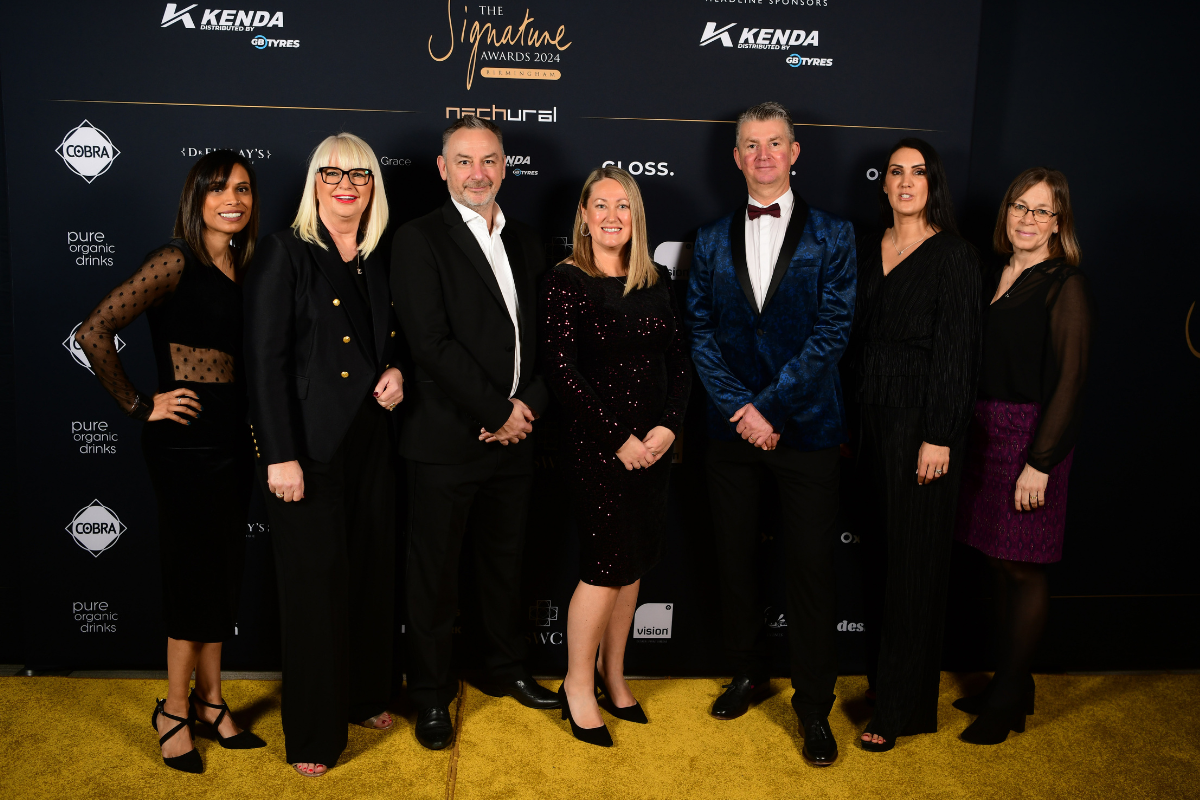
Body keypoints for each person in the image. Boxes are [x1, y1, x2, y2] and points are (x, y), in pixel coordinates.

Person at [75, 151, 266, 773]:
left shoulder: (247, 265)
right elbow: (93, 330)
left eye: (241, 188)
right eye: (217, 189)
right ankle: (175, 709)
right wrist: (139, 403)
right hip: (183, 446)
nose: (231, 199)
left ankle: (212, 701)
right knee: (191, 580)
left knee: (219, 576)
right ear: (196, 198)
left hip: (234, 445)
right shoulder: (174, 259)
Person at [685, 101, 856, 767]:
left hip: (807, 431)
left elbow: (833, 331)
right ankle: (746, 672)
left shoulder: (835, 236)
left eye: (774, 142)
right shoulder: (707, 239)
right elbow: (699, 332)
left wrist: (772, 409)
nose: (762, 153)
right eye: (750, 144)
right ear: (735, 156)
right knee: (735, 562)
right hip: (731, 436)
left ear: (794, 151)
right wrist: (740, 409)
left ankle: (813, 707)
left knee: (811, 572)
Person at [391, 115, 559, 752]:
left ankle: (505, 670)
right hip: (445, 439)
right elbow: (430, 344)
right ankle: (432, 696)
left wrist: (528, 408)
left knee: (502, 565)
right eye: (463, 161)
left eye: (488, 160)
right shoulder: (418, 239)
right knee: (433, 575)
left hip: (516, 437)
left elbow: (548, 343)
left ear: (504, 166)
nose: (477, 173)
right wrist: (496, 411)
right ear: (442, 168)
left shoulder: (529, 241)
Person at [244, 133, 403, 777]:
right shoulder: (285, 251)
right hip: (306, 452)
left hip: (373, 442)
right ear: (315, 182)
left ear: (373, 187)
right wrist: (279, 455)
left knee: (369, 575)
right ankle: (313, 736)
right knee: (314, 593)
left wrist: (398, 370)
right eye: (333, 174)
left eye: (359, 175)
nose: (346, 185)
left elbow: (386, 340)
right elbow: (264, 363)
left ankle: (365, 695)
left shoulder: (378, 254)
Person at [541, 167, 692, 747]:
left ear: (636, 216)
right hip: (595, 447)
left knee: (633, 565)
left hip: (652, 448)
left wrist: (666, 429)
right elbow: (562, 372)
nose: (611, 216)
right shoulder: (566, 282)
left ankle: (613, 674)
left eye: (622, 206)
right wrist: (618, 438)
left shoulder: (656, 280)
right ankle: (576, 685)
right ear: (583, 214)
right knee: (605, 567)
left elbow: (679, 362)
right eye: (600, 205)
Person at [848, 138, 982, 752]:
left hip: (921, 427)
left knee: (914, 567)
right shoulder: (865, 246)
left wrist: (940, 435)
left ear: (934, 184)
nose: (906, 182)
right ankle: (885, 680)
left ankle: (903, 708)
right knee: (878, 557)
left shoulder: (953, 255)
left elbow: (957, 352)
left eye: (918, 172)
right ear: (884, 183)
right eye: (896, 172)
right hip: (868, 422)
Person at [952, 168, 1093, 744]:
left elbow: (1071, 381)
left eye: (1042, 211)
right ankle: (1015, 681)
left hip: (1032, 436)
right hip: (983, 431)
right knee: (994, 560)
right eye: (1020, 207)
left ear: (1059, 224)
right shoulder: (993, 272)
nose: (1028, 220)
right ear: (1006, 213)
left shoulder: (1065, 285)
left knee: (1023, 567)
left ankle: (1009, 694)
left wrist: (1041, 461)